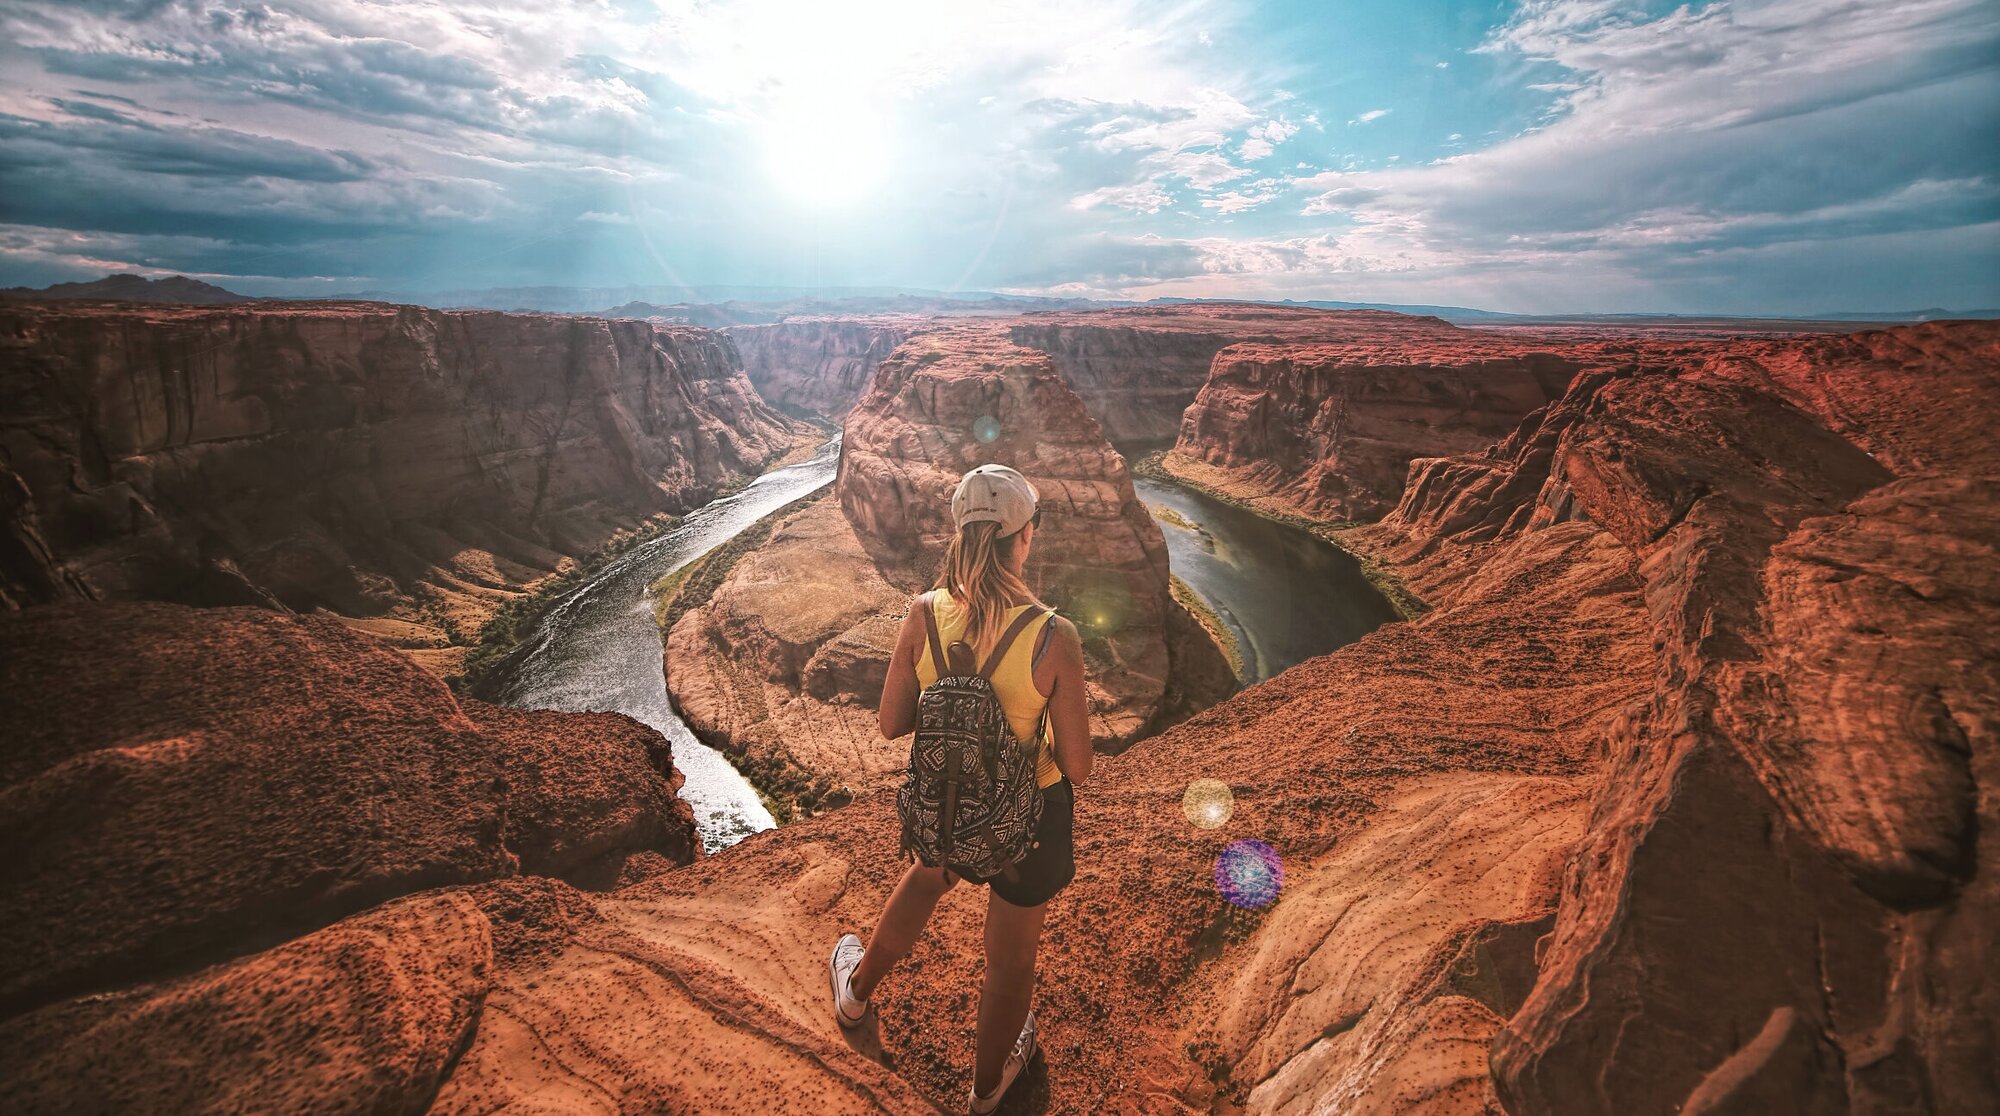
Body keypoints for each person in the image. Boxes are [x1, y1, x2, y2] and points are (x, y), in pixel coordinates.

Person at [827, 463, 1092, 1113]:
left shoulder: (923, 614)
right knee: (1008, 966)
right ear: (1024, 536)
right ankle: (985, 1093)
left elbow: (892, 723)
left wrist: (958, 715)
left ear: (959, 534)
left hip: (951, 799)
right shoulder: (1054, 636)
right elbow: (1080, 767)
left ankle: (856, 993)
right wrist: (1016, 733)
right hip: (1028, 820)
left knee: (927, 874)